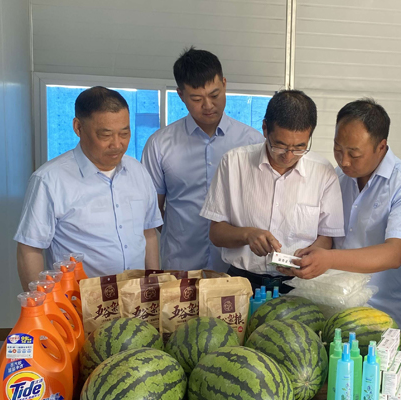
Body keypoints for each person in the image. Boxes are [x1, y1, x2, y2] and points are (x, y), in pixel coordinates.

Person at [278, 99, 401, 371]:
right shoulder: (338, 177)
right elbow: (328, 237)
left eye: (354, 154)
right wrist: (305, 259)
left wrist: (329, 259)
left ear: (381, 146)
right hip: (338, 316)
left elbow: (394, 254)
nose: (344, 161)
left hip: (385, 320)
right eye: (338, 149)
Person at [15, 86, 162, 289]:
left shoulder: (138, 172)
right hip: (78, 302)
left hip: (136, 298)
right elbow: (30, 249)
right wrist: (41, 303)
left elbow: (148, 233)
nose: (117, 144)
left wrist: (154, 288)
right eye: (105, 135)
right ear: (78, 127)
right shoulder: (49, 180)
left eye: (124, 133)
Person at [200, 90, 344, 293]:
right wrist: (247, 235)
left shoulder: (323, 171)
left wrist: (309, 258)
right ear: (265, 128)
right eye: (280, 145)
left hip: (299, 285)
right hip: (242, 282)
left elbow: (327, 237)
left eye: (300, 147)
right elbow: (216, 233)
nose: (289, 156)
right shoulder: (233, 163)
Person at [142, 48, 264, 272]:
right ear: (181, 95)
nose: (208, 105)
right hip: (180, 264)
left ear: (224, 84)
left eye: (214, 95)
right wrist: (179, 234)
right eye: (197, 99)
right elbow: (152, 211)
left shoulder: (252, 142)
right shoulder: (160, 144)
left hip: (235, 265)